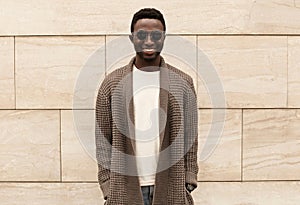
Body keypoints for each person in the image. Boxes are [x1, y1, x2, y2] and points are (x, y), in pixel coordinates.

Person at [95, 8, 198, 205]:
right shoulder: (112, 83)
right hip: (124, 187)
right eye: (141, 34)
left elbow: (191, 136)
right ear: (132, 37)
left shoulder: (183, 82)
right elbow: (102, 139)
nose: (149, 40)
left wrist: (189, 176)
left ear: (164, 37)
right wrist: (107, 183)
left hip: (171, 184)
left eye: (156, 35)